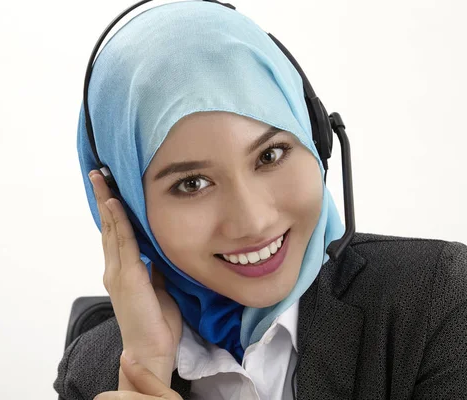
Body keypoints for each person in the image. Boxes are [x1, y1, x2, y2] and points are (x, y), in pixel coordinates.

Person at [54, 1, 467, 399]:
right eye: (192, 184)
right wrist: (144, 368)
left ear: (316, 137)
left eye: (270, 156)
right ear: (127, 211)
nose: (252, 222)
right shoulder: (91, 374)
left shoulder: (438, 300)